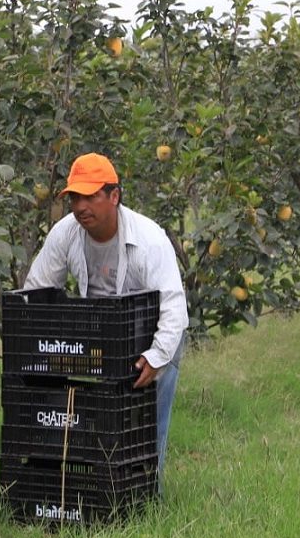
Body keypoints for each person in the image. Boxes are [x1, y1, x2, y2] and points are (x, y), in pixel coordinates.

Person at [24, 152, 189, 481]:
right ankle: (97, 487)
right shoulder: (66, 233)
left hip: (152, 333)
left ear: (114, 196)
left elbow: (174, 308)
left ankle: (144, 493)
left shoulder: (148, 240)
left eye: (90, 196)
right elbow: (36, 289)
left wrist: (156, 357)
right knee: (98, 417)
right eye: (74, 198)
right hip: (101, 332)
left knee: (146, 422)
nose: (81, 206)